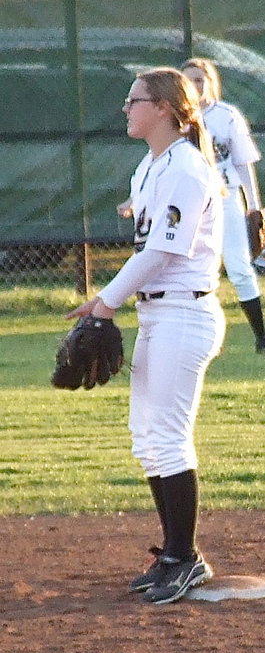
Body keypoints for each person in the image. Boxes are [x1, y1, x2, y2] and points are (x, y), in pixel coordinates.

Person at [67, 66, 226, 605]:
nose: (126, 109)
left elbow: (162, 253)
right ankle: (175, 552)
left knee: (167, 438)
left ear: (163, 108)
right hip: (159, 315)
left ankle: (186, 558)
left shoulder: (185, 167)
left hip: (185, 312)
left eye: (134, 100)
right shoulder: (153, 166)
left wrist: (105, 302)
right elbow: (152, 236)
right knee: (148, 439)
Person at [180, 56, 265, 356]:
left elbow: (243, 162)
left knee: (239, 266)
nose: (195, 85)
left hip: (226, 196)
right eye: (188, 80)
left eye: (200, 79)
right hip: (188, 199)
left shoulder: (226, 115)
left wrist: (254, 206)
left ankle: (263, 338)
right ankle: (194, 335)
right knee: (194, 267)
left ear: (211, 83)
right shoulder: (176, 116)